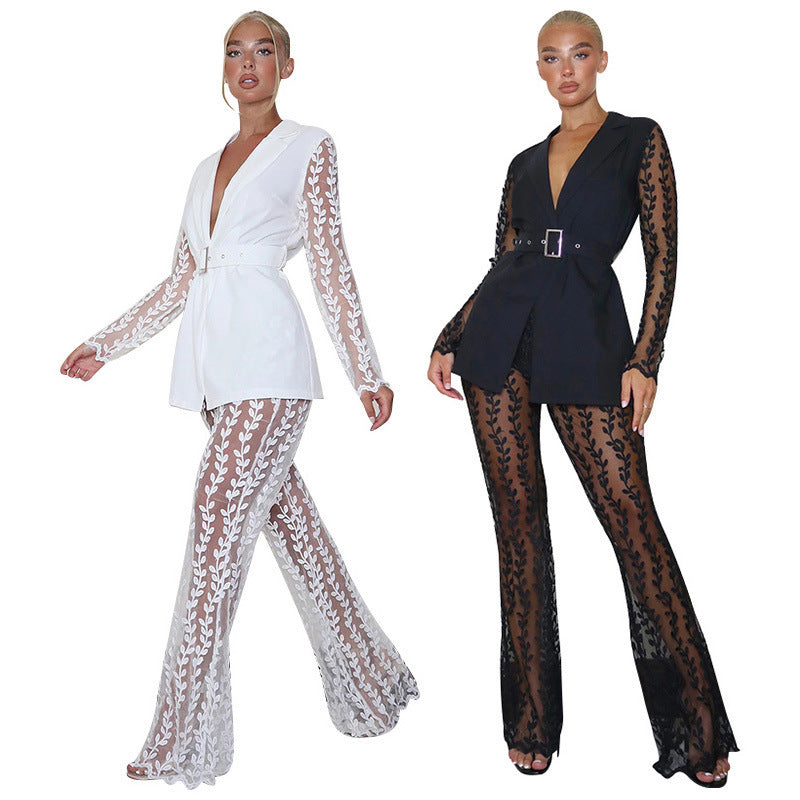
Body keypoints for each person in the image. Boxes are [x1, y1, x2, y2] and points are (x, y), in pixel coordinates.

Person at [62, 10, 418, 788]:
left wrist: (366, 372)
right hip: (216, 376)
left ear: (287, 66)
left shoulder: (310, 146)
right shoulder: (203, 169)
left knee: (214, 525)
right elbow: (181, 280)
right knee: (295, 533)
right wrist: (104, 344)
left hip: (271, 364)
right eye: (234, 51)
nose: (248, 61)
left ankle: (179, 738)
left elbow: (330, 260)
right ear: (224, 69)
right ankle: (372, 686)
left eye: (264, 50)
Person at [428, 9, 737, 787]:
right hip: (500, 339)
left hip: (588, 335)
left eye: (577, 54)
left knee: (634, 524)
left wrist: (646, 359)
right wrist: (451, 333)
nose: (564, 70)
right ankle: (530, 723)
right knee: (518, 530)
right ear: (538, 69)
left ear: (601, 60)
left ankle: (699, 731)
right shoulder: (522, 163)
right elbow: (503, 259)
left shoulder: (640, 139)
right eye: (550, 57)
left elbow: (664, 254)